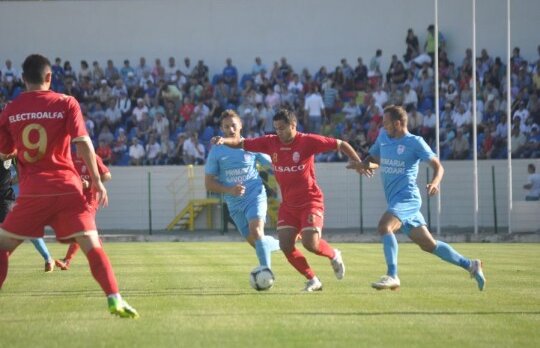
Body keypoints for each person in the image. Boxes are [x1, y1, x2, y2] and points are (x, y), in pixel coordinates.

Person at [0, 54, 138, 318]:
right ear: (49, 77)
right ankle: (115, 297)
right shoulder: (66, 103)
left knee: (3, 247)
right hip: (67, 187)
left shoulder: (11, 109)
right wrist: (97, 182)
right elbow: (83, 142)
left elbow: (6, 151)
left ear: (22, 80)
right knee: (92, 244)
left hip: (33, 192)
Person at [212, 108, 360, 292]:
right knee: (286, 245)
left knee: (310, 244)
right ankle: (313, 280)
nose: (278, 132)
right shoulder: (270, 142)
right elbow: (240, 143)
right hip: (289, 205)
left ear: (293, 125)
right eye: (276, 128)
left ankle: (334, 254)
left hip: (310, 200)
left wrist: (357, 161)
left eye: (282, 128)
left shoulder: (307, 141)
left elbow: (340, 144)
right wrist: (223, 140)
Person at [347, 105, 486, 291]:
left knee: (384, 226)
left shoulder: (415, 142)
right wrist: (362, 165)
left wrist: (435, 182)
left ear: (398, 123)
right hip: (396, 201)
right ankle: (471, 265)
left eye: (387, 123)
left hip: (407, 198)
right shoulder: (383, 138)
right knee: (429, 245)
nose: (384, 126)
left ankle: (392, 275)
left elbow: (438, 166)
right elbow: (374, 160)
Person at [205, 110, 280, 269]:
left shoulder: (251, 146)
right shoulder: (216, 151)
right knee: (257, 243)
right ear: (222, 129)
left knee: (256, 231)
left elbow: (273, 166)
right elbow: (209, 183)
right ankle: (283, 244)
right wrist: (229, 190)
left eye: (233, 125)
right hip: (234, 204)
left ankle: (266, 272)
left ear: (240, 126)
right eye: (226, 127)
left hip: (255, 195)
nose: (230, 130)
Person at [55, 152, 111, 270]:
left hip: (90, 199)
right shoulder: (71, 157)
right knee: (86, 231)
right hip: (76, 199)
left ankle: (67, 260)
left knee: (83, 228)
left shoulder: (92, 156)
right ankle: (102, 261)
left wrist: (90, 183)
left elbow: (107, 175)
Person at [1, 158, 55, 272]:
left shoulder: (8, 152)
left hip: (4, 199)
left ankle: (47, 258)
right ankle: (48, 258)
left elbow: (21, 172)